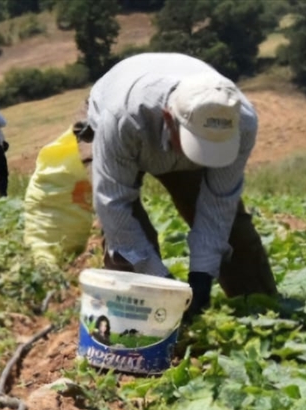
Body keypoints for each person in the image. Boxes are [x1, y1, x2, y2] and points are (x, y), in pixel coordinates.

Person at [76, 53, 277, 322]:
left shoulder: (242, 122)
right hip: (115, 125)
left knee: (234, 233)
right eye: (199, 145)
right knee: (127, 244)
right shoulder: (122, 119)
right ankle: (132, 333)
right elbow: (114, 205)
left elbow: (218, 204)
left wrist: (201, 277)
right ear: (170, 119)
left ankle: (262, 317)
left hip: (168, 129)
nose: (203, 157)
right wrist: (161, 281)